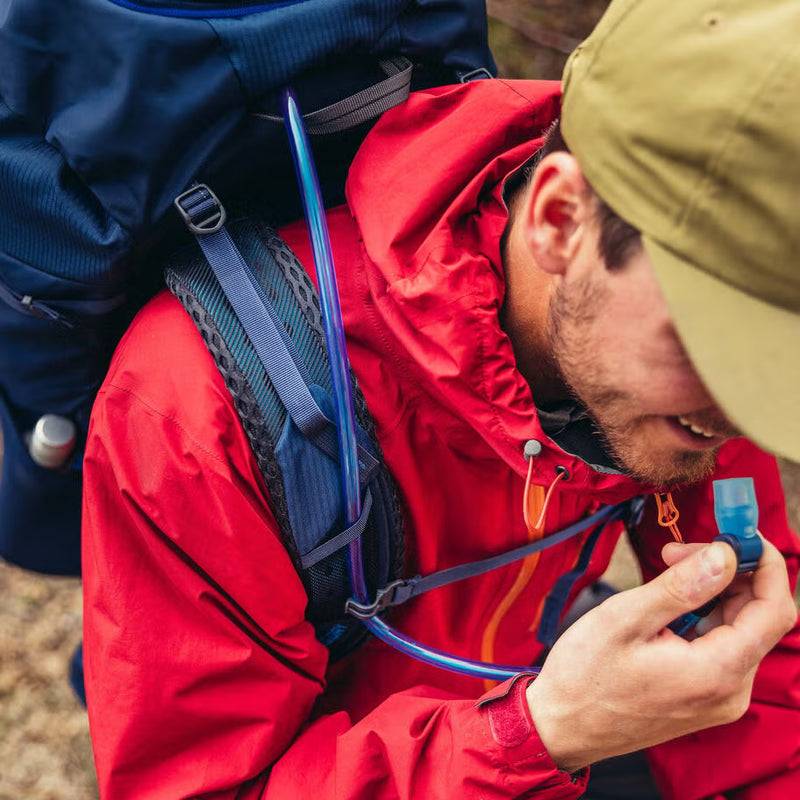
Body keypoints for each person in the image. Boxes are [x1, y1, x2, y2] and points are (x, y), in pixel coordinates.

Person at [82, 1, 800, 797]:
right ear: (561, 220)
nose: (742, 416)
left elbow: (766, 668)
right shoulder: (189, 404)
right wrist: (544, 732)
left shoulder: (690, 373)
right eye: (717, 340)